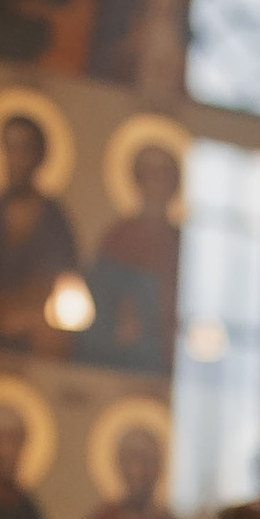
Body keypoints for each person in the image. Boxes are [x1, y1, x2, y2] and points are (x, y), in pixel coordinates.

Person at [0, 112, 86, 353]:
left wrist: (27, 309)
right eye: (9, 148)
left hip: (38, 330)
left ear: (38, 157)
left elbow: (65, 281)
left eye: (24, 149)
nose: (16, 159)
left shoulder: (53, 218)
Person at [88, 138, 183, 373]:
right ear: (137, 181)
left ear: (174, 184)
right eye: (149, 174)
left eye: (164, 175)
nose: (157, 183)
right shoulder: (116, 237)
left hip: (168, 351)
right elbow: (98, 296)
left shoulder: (183, 243)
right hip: (121, 346)